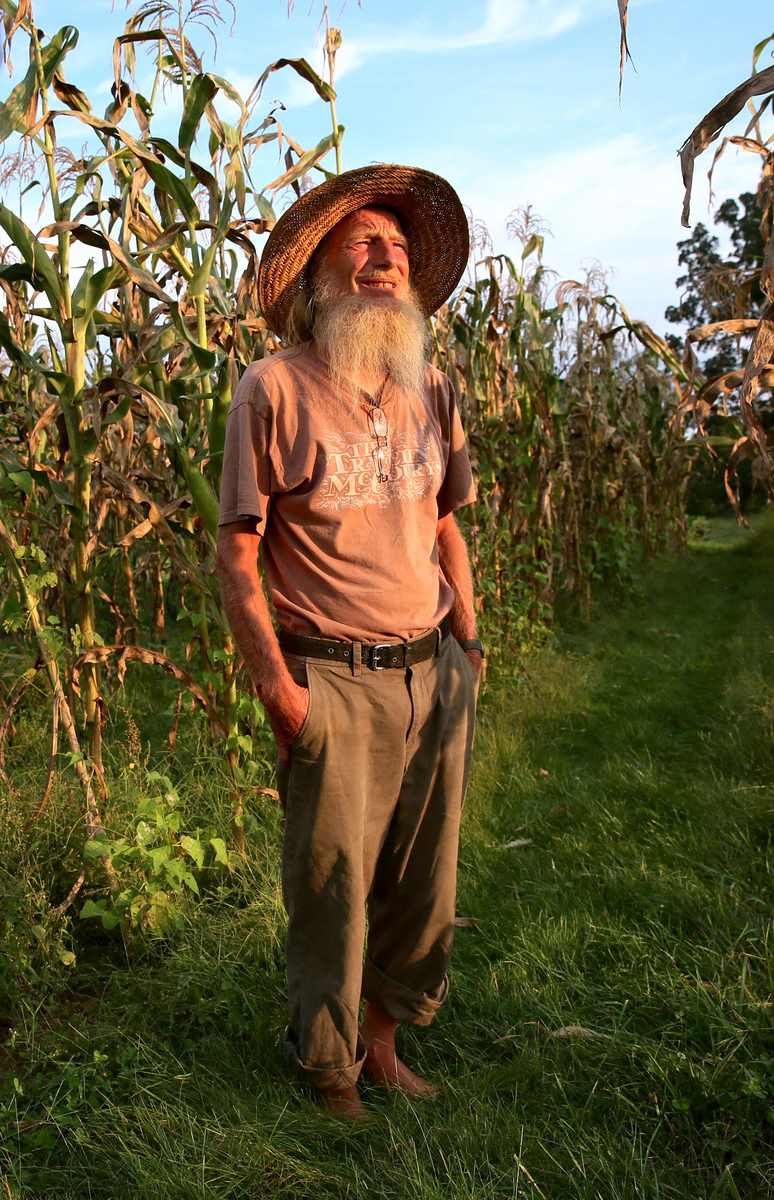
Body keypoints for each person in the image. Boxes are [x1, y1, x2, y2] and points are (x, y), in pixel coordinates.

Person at [214, 164, 484, 1120]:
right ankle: (329, 1074)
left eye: (400, 249)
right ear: (321, 272)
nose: (387, 258)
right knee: (333, 890)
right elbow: (236, 555)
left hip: (433, 673)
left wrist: (469, 639)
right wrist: (279, 691)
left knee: (423, 879)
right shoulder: (273, 391)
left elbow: (447, 520)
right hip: (334, 677)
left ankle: (384, 1044)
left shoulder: (430, 390)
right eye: (364, 242)